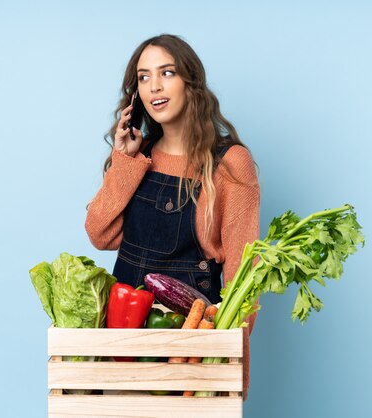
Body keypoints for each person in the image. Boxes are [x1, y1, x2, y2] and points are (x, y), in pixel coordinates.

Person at [85, 34, 260, 399]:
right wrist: (124, 161)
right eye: (144, 77)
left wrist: (228, 364)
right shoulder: (137, 158)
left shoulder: (228, 163)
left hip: (191, 346)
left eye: (167, 72)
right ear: (135, 94)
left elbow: (246, 273)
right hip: (124, 345)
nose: (154, 87)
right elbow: (99, 233)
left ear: (190, 83)